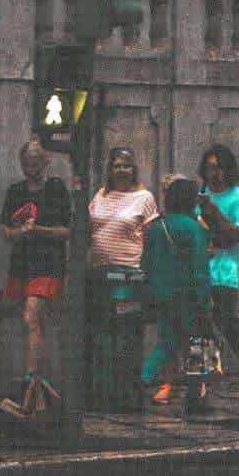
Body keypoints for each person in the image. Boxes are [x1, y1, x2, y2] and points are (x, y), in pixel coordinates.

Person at [87, 146, 159, 405]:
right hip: (100, 275)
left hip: (129, 276)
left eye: (126, 165)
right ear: (110, 169)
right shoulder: (101, 195)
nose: (121, 170)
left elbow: (151, 238)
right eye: (117, 165)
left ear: (134, 169)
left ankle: (127, 393)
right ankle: (104, 392)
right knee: (103, 334)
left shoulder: (144, 198)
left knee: (126, 334)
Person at [0, 136, 72, 390]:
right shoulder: (15, 191)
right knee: (34, 320)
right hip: (22, 264)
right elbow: (6, 230)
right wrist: (20, 232)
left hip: (48, 263)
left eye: (36, 163)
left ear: (46, 162)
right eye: (27, 164)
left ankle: (32, 378)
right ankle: (42, 379)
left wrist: (38, 229)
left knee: (31, 315)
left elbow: (67, 231)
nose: (31, 169)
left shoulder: (56, 189)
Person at [139, 176, 213, 410]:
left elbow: (145, 264)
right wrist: (204, 298)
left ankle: (140, 378)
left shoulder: (156, 227)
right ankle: (196, 396)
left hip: (162, 297)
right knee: (199, 345)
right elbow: (200, 266)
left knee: (166, 344)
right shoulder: (193, 228)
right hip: (189, 297)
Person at [197, 144, 239, 387]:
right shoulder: (201, 195)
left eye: (219, 168)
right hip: (200, 268)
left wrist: (214, 213)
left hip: (225, 270)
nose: (214, 174)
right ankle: (204, 373)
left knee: (226, 320)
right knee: (200, 320)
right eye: (210, 168)